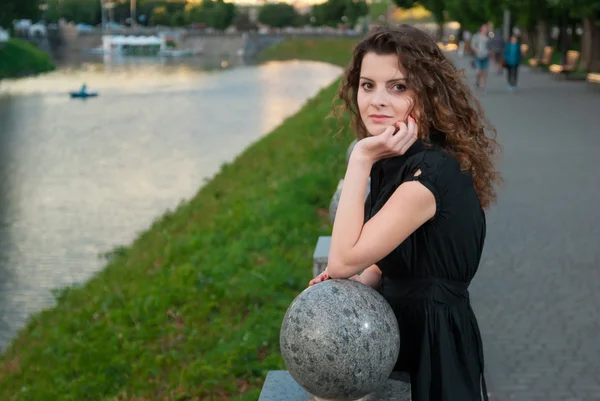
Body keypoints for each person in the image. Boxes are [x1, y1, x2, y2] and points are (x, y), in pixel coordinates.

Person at [308, 25, 501, 401]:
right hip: (399, 327)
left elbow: (345, 257)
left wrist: (361, 158)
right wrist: (351, 284)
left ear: (426, 94)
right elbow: (385, 259)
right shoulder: (402, 159)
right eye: (368, 85)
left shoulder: (427, 175)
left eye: (398, 87)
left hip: (433, 344)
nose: (377, 100)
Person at [470, 24, 491, 89]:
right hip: (478, 56)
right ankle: (477, 81)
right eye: (484, 29)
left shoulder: (488, 38)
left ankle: (483, 84)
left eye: (486, 29)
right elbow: (473, 45)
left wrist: (490, 51)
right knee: (478, 71)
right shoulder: (477, 36)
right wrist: (475, 49)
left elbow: (491, 47)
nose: (485, 30)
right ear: (481, 29)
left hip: (486, 56)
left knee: (485, 71)